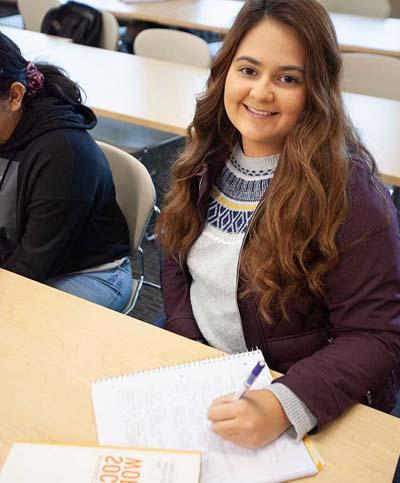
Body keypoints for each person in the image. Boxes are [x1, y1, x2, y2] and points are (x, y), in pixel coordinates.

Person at [156, 0, 400, 448]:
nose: (261, 92)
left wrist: (283, 402)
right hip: (205, 366)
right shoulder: (208, 153)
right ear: (225, 71)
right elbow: (174, 256)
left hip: (297, 387)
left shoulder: (351, 194)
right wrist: (190, 347)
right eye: (248, 70)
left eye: (288, 78)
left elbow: (374, 335)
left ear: (317, 92)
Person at [0, 31, 132, 312]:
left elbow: (33, 265)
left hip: (89, 274)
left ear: (14, 96)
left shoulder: (64, 154)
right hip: (17, 255)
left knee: (15, 329)